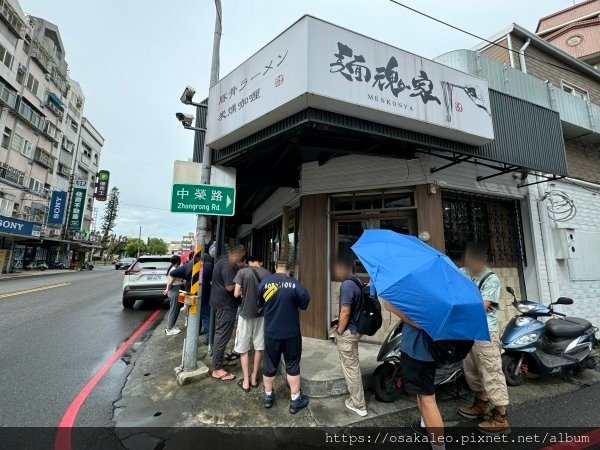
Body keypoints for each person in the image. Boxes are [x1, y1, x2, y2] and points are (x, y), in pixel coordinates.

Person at [458, 242, 511, 435]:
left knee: (491, 371)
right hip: (468, 331)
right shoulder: (462, 272)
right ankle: (481, 405)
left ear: (483, 259)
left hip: (486, 332)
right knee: (471, 370)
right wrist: (475, 302)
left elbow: (482, 306)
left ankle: (501, 417)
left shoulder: (491, 278)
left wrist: (474, 303)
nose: (470, 261)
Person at [384, 301, 446, 450]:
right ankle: (425, 426)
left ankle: (439, 447)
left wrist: (391, 306)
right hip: (424, 350)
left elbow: (417, 322)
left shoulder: (424, 289)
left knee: (427, 399)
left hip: (420, 351)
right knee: (423, 395)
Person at [257, 258, 310, 414]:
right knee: (292, 365)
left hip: (271, 333)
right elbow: (304, 304)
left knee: (270, 364)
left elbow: (259, 303)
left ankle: (268, 396)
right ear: (290, 269)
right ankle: (295, 400)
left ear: (275, 267)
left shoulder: (265, 283)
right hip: (291, 334)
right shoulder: (295, 284)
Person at [333, 256, 367, 417]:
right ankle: (357, 400)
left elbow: (345, 312)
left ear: (345, 268)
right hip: (356, 329)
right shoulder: (357, 282)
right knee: (353, 365)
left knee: (351, 369)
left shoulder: (347, 285)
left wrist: (339, 331)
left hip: (349, 332)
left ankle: (358, 404)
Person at [233, 255, 271, 392]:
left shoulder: (242, 272)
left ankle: (246, 382)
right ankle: (254, 378)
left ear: (249, 261)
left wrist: (244, 291)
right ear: (260, 261)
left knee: (243, 348)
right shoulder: (268, 273)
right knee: (259, 347)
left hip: (245, 314)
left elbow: (236, 294)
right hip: (262, 315)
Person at [210, 244, 246, 382]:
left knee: (221, 334)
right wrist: (244, 288)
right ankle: (217, 369)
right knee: (222, 335)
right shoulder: (227, 264)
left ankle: (219, 361)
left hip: (220, 302)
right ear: (236, 254)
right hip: (225, 304)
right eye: (241, 257)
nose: (241, 259)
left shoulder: (222, 260)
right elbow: (230, 287)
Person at [163, 255, 184, 336]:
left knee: (175, 310)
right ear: (178, 261)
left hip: (175, 290)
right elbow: (170, 281)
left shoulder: (172, 268)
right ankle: (169, 329)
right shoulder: (174, 269)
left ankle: (171, 326)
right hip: (174, 290)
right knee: (173, 310)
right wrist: (167, 289)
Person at [200, 243, 216, 343]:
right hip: (208, 290)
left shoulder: (195, 259)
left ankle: (196, 330)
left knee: (196, 313)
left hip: (195, 290)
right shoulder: (211, 260)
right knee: (207, 316)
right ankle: (208, 337)